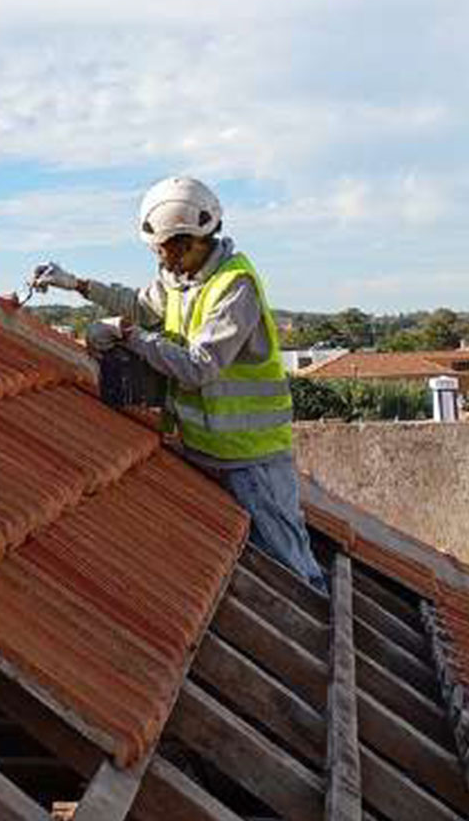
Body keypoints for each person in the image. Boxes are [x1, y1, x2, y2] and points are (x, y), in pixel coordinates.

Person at [33, 175, 327, 591]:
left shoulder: (233, 286)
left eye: (163, 249)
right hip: (204, 448)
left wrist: (130, 335)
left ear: (188, 241)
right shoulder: (183, 279)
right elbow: (139, 303)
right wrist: (78, 285)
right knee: (241, 566)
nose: (160, 260)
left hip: (251, 459)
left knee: (291, 572)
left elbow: (198, 366)